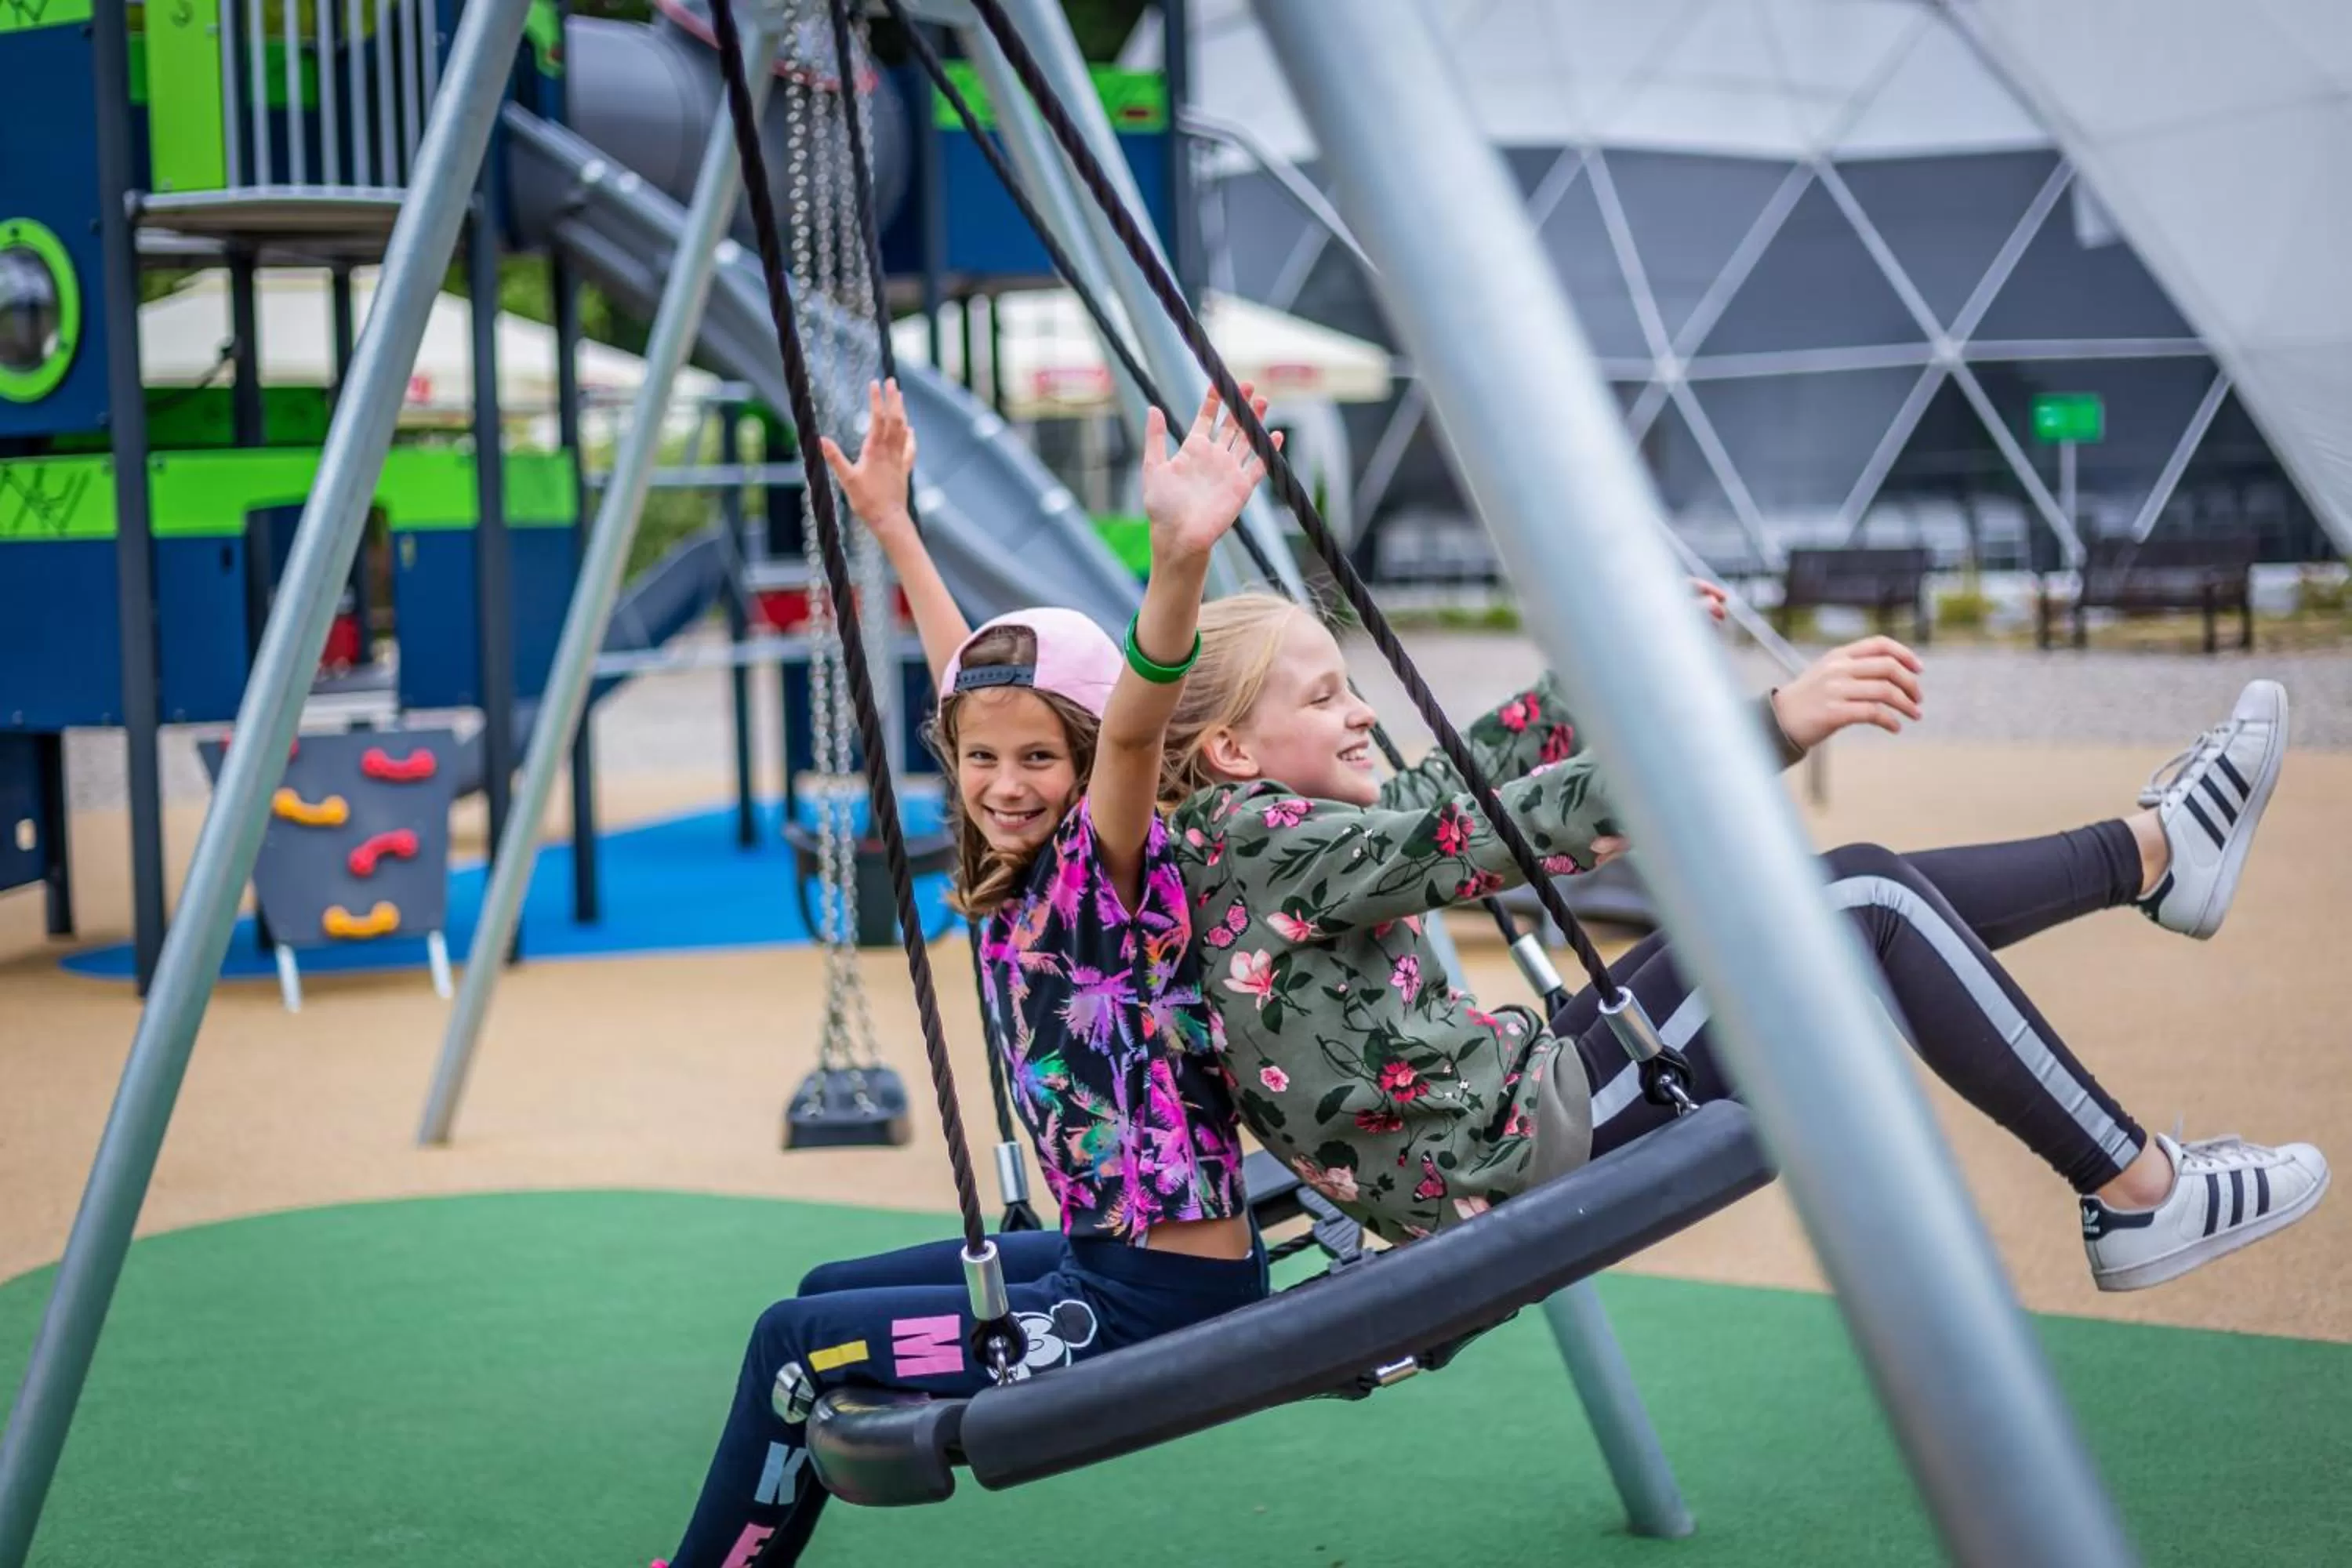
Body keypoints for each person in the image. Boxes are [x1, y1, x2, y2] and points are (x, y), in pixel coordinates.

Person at [1159, 590, 2328, 1294]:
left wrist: (1583, 682)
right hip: (1509, 1158)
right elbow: (1484, 830)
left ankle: (2152, 854)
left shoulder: (1261, 840)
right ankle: (2137, 1189)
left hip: (1499, 1113)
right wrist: (1762, 726)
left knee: (1835, 904)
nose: (1361, 710)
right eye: (1323, 699)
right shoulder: (1268, 844)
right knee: (1856, 899)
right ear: (1231, 754)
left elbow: (1437, 785)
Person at [657, 383, 1279, 1568]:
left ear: (1090, 766)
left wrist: (1179, 562)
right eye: (982, 757)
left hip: (1152, 1301)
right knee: (826, 1285)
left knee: (795, 1341)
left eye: (1041, 758)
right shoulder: (1021, 859)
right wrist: (893, 527)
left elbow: (1138, 720)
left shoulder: (1105, 871)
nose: (1003, 783)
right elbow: (968, 686)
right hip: (1103, 1253)